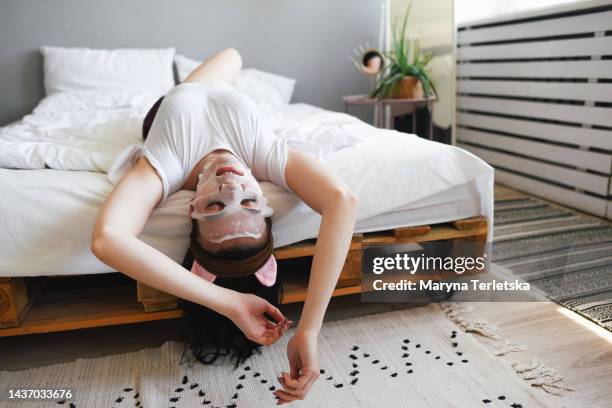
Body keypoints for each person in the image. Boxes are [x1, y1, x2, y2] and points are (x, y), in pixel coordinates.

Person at [91, 48, 358, 404]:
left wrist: (229, 303)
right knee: (233, 55)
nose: (231, 185)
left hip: (165, 109)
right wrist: (309, 330)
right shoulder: (264, 154)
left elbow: (108, 238)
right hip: (213, 89)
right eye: (249, 202)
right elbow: (343, 201)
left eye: (215, 205)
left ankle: (183, 88)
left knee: (226, 60)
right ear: (265, 205)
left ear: (191, 209)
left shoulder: (166, 163)